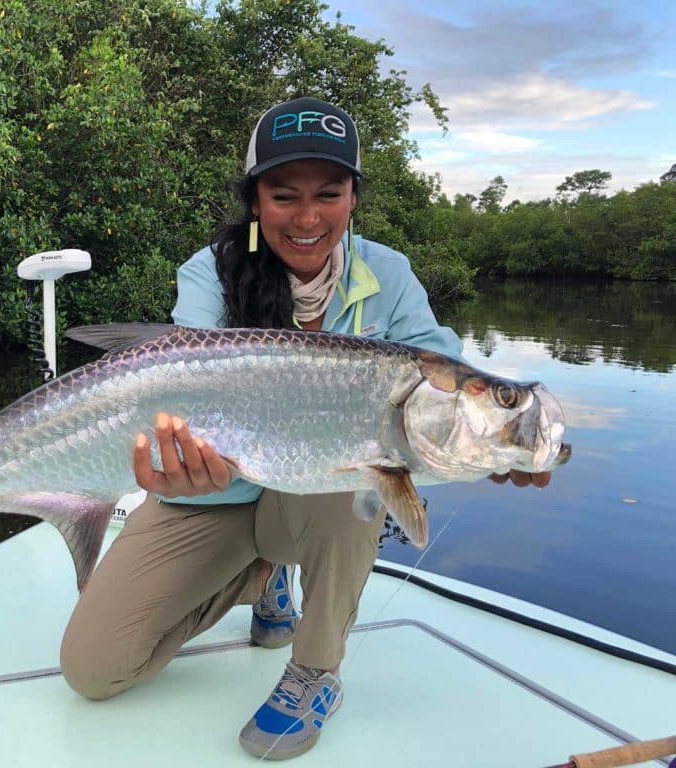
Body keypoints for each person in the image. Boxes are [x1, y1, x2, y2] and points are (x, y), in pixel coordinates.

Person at [59, 96, 550, 760]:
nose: (309, 216)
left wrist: (498, 440)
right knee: (93, 669)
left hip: (319, 503)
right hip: (213, 496)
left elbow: (446, 379)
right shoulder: (212, 271)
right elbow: (173, 389)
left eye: (330, 192)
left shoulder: (390, 274)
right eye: (285, 195)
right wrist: (171, 465)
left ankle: (315, 670)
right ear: (255, 202)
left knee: (363, 470)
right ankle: (263, 578)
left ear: (353, 198)